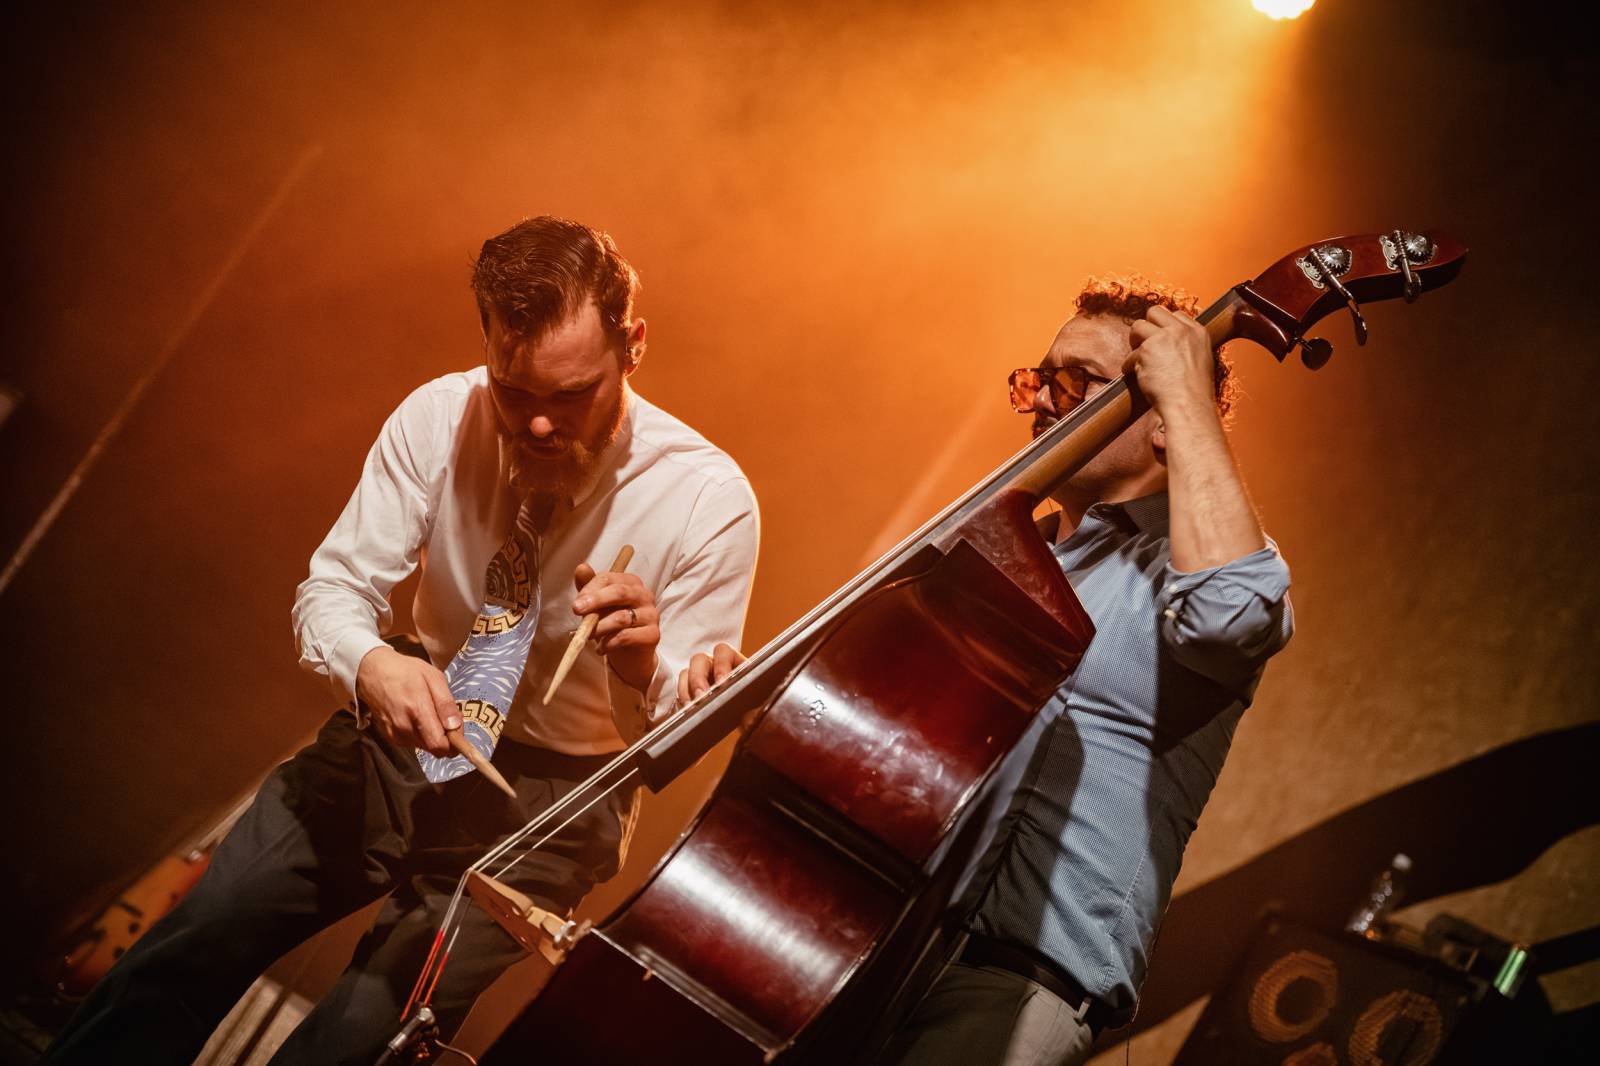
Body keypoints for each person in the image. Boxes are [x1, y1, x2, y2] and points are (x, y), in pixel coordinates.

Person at [46, 216, 760, 1066]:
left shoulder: (709, 499)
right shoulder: (439, 415)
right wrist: (374, 662)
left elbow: (676, 733)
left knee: (356, 1041)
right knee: (205, 928)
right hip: (414, 714)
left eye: (571, 397)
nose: (538, 427)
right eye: (515, 393)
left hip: (560, 797)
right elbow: (334, 591)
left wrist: (645, 668)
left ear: (633, 346)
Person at [679, 277, 1292, 1066]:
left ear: (1167, 420)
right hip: (869, 939)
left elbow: (1234, 612)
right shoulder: (999, 561)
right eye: (1041, 378)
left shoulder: (1188, 571)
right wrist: (785, 709)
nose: (1042, 401)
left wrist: (1189, 395)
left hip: (1014, 977)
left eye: (1079, 385)